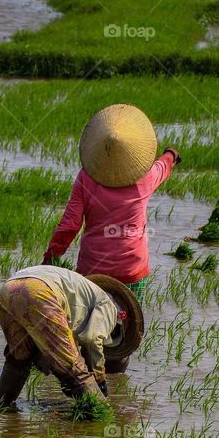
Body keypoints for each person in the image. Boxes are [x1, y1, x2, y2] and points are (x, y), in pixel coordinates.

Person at [43, 104, 181, 305]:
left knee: (90, 327)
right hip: (132, 269)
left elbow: (69, 225)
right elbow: (164, 165)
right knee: (131, 326)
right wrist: (171, 155)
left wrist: (51, 258)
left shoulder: (86, 178)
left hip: (92, 270)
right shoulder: (147, 176)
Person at [0, 265, 143, 408]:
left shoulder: (83, 292)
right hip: (39, 291)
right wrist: (99, 380)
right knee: (75, 370)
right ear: (120, 324)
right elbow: (91, 339)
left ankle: (3, 408)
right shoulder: (109, 307)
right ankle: (102, 419)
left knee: (19, 357)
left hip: (7, 290)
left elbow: (47, 347)